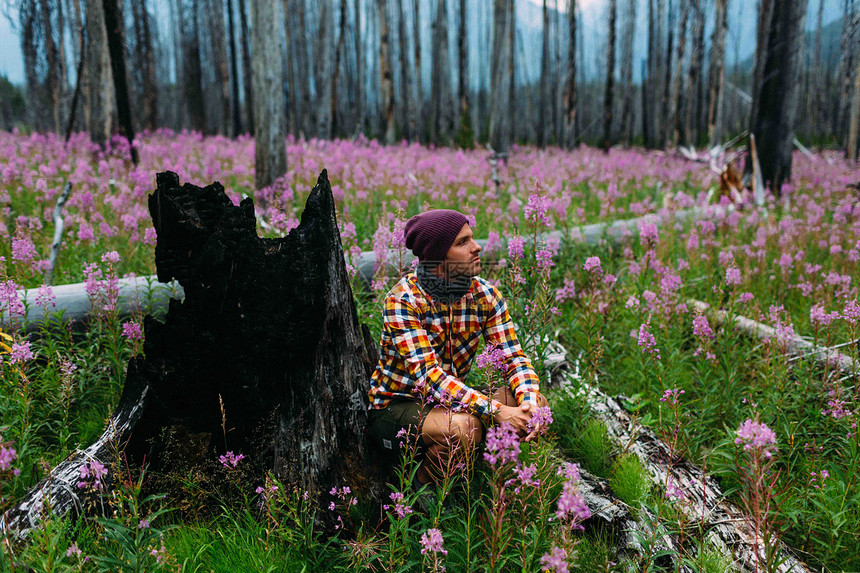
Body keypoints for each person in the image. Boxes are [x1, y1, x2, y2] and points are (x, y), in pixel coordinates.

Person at [367, 209, 548, 486]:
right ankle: (423, 498)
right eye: (462, 242)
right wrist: (496, 411)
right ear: (438, 257)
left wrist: (529, 402)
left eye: (472, 238)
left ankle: (494, 479)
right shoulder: (404, 301)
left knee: (534, 405)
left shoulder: (484, 295)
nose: (477, 247)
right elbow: (430, 378)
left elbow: (513, 357)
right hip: (397, 406)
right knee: (464, 428)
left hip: (451, 402)